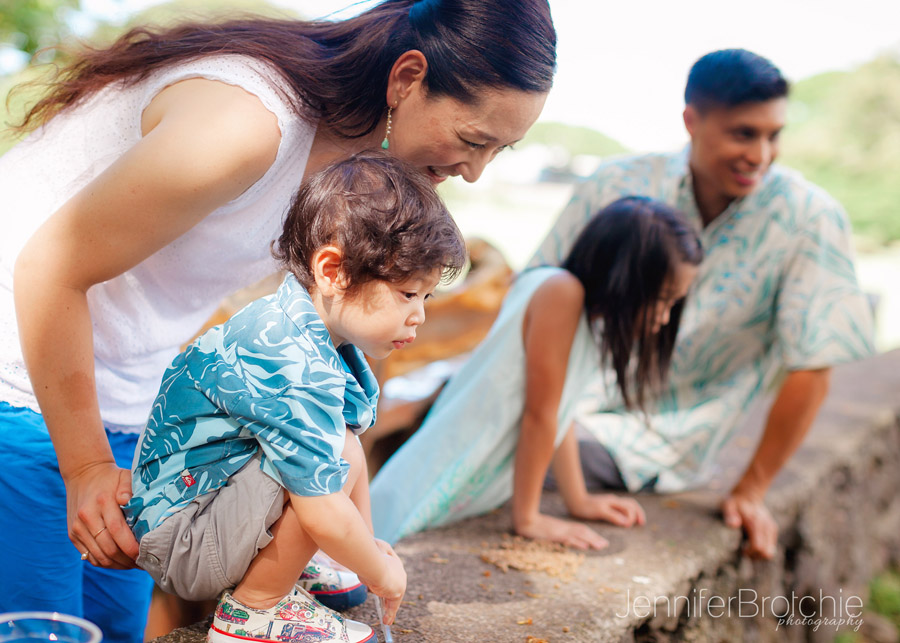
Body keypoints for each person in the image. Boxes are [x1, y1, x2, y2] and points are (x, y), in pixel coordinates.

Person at [0, 0, 556, 639]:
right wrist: (86, 467)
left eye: (499, 151)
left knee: (114, 627)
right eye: (471, 140)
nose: (476, 173)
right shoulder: (246, 127)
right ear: (406, 79)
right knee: (40, 627)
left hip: (124, 398)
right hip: (22, 371)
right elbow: (47, 267)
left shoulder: (351, 178)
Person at [528, 49, 875, 559]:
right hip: (553, 398)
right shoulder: (615, 183)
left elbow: (813, 365)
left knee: (508, 461)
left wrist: (752, 489)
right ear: (692, 121)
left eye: (773, 135)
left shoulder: (811, 220)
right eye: (743, 133)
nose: (760, 154)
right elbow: (536, 296)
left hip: (648, 438)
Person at [125, 152, 466, 643]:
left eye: (426, 298)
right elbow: (325, 503)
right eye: (408, 294)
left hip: (203, 507)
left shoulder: (302, 328)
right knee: (333, 460)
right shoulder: (287, 361)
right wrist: (381, 573)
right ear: (333, 270)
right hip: (183, 538)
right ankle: (254, 611)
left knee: (338, 449)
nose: (420, 317)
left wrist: (364, 547)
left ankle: (299, 565)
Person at [370, 196, 703, 548]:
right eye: (661, 298)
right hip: (439, 474)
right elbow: (540, 415)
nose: (664, 316)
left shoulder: (582, 313)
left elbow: (560, 412)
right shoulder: (561, 292)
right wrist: (528, 519)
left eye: (673, 303)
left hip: (462, 477)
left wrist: (579, 500)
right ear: (625, 276)